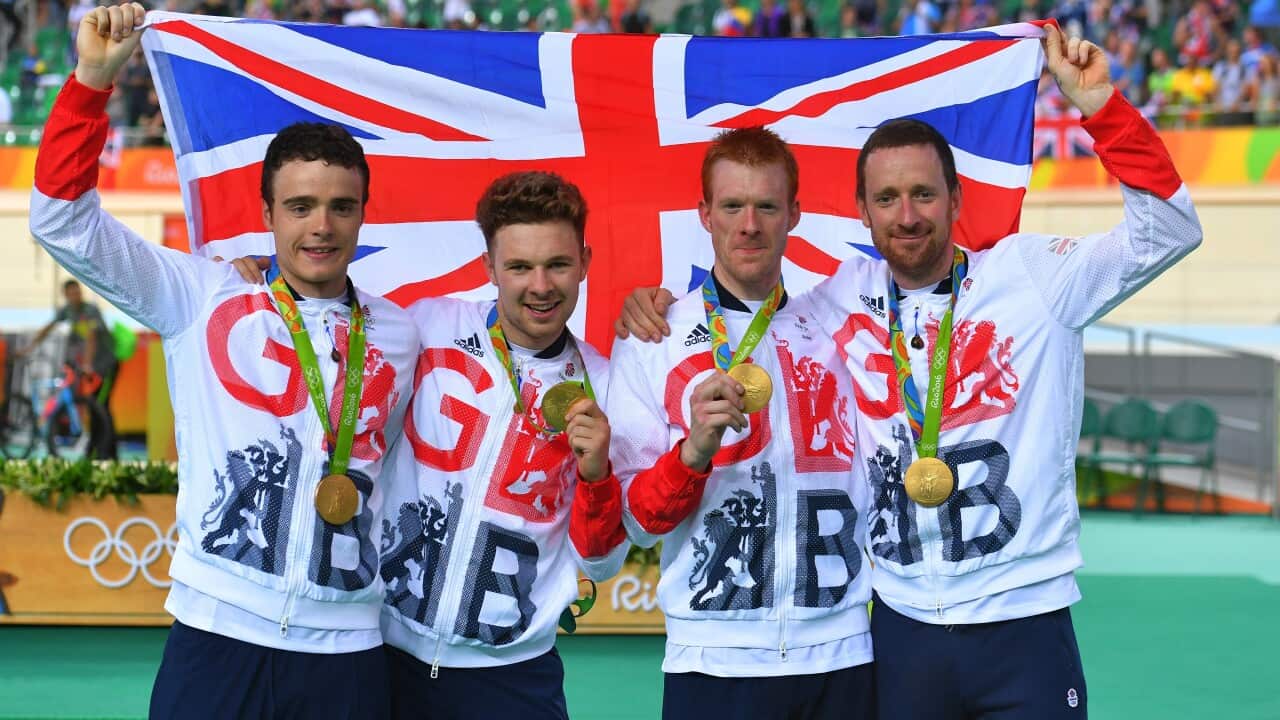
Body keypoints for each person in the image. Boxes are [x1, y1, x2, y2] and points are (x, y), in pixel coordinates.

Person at [618, 24, 1203, 719]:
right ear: (862, 214)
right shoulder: (835, 302)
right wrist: (649, 301)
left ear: (958, 201)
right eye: (887, 198)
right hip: (899, 632)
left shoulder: (1031, 276)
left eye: (924, 194)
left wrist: (1101, 106)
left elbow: (1168, 231)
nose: (907, 215)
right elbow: (746, 309)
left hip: (1024, 621)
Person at [28, 4, 422, 718]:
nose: (321, 227)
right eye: (300, 206)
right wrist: (91, 83)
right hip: (215, 638)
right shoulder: (199, 295)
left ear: (365, 213)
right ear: (267, 211)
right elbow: (62, 222)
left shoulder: (404, 331)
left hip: (349, 651)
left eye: (341, 207)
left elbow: (527, 315)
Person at [231, 171, 631, 718]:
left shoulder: (607, 386)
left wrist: (596, 476)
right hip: (383, 656)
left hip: (513, 677)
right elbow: (317, 333)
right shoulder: (422, 326)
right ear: (489, 266)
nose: (540, 285)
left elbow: (603, 565)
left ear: (584, 262)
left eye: (558, 265)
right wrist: (256, 278)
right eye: (518, 266)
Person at [607, 127, 875, 720]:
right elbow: (635, 521)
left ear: (795, 215)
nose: (749, 225)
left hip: (842, 655)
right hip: (713, 660)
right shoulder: (654, 337)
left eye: (767, 206)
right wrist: (692, 454)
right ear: (704, 214)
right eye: (732, 206)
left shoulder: (841, 324)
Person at [23, 279, 120, 459]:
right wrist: (27, 349)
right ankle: (94, 450)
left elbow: (92, 338)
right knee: (93, 406)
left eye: (78, 292)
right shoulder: (68, 311)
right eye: (72, 293)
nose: (76, 296)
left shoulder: (90, 310)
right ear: (66, 296)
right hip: (91, 367)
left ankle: (108, 452)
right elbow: (48, 327)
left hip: (106, 365)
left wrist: (87, 364)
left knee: (100, 406)